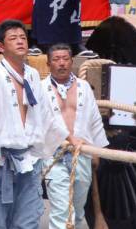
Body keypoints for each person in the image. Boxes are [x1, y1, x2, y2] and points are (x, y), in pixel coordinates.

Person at [0, 20, 72, 229]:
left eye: (23, 37)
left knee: (28, 221)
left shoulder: (33, 75)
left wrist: (68, 138)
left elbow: (45, 112)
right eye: (13, 38)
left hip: (29, 160)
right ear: (1, 46)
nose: (20, 42)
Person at [41, 43, 107, 229]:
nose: (61, 63)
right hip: (55, 155)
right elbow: (40, 122)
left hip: (82, 153)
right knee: (61, 210)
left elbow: (94, 119)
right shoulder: (41, 89)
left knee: (78, 212)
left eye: (65, 59)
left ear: (72, 62)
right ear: (48, 63)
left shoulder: (84, 87)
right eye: (56, 59)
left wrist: (96, 151)